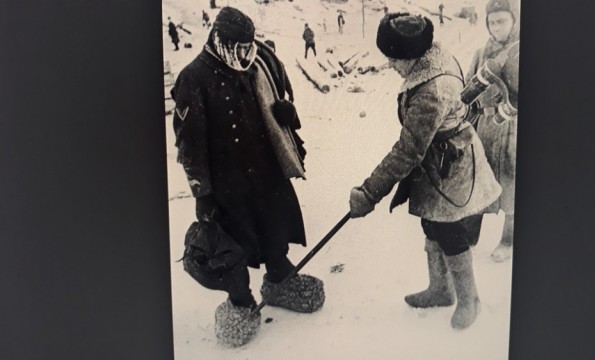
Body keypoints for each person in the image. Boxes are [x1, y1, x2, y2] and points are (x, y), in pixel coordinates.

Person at [171, 7, 323, 347]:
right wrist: (202, 194)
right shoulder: (192, 79)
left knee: (275, 224)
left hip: (265, 170)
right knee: (233, 245)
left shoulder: (256, 62)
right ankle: (241, 300)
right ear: (220, 41)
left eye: (247, 46)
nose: (245, 53)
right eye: (238, 47)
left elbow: (276, 95)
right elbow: (189, 147)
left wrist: (286, 114)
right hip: (227, 185)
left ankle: (279, 272)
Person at [348, 13, 501, 330]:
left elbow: (408, 150)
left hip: (451, 169)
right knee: (432, 225)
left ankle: (469, 299)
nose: (390, 65)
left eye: (393, 58)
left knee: (449, 231)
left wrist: (369, 192)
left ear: (412, 55)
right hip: (436, 161)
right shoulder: (432, 58)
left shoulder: (431, 90)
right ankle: (441, 290)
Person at [466, 0, 520, 262]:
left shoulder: (522, 51)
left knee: (511, 183)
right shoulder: (481, 53)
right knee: (478, 180)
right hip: (486, 128)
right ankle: (468, 237)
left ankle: (508, 240)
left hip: (513, 129)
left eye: (502, 20)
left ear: (514, 20)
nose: (496, 27)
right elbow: (467, 92)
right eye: (492, 22)